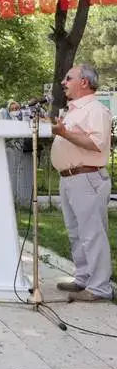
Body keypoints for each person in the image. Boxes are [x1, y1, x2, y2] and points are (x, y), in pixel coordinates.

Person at [50, 64, 114, 302]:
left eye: (69, 78)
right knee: (77, 232)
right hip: (70, 177)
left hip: (86, 176)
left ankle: (100, 288)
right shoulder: (74, 110)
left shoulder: (95, 109)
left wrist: (64, 133)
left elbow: (96, 143)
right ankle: (84, 277)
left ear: (84, 82)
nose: (63, 82)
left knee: (92, 233)